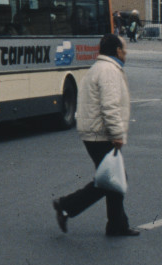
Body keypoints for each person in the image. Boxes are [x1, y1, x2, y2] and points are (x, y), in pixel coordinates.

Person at [51, 33, 139, 237]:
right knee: (112, 179)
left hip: (94, 131)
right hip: (100, 133)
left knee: (113, 178)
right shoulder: (109, 71)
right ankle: (66, 206)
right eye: (124, 49)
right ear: (117, 51)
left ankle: (117, 225)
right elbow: (110, 106)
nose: (126, 53)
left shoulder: (100, 67)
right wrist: (117, 134)